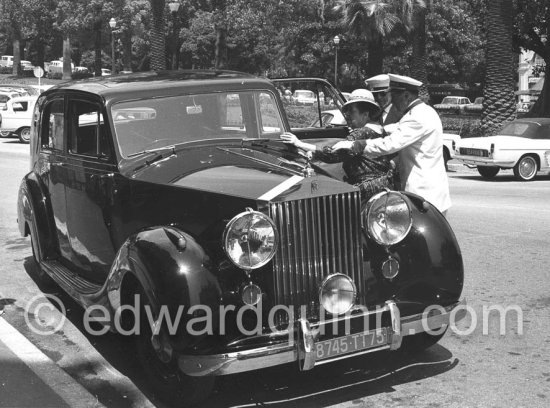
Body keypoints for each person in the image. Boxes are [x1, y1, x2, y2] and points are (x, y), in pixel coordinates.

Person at [331, 73, 451, 216]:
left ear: (406, 96)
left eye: (394, 97)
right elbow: (398, 128)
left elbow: (390, 145)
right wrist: (378, 129)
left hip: (423, 193)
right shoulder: (422, 111)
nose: (392, 102)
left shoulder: (417, 117)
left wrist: (357, 145)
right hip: (431, 191)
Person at [280, 93, 394, 199]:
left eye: (352, 111)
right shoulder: (380, 131)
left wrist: (299, 143)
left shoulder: (360, 133)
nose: (348, 115)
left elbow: (332, 155)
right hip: (385, 187)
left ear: (365, 114)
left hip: (366, 190)